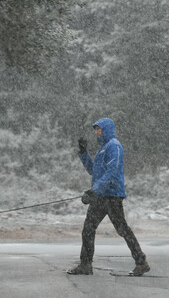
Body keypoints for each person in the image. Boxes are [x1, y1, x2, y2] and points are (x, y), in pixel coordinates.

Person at [67, 118, 150, 276]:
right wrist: (84, 154)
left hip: (112, 197)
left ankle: (141, 262)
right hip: (100, 197)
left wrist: (94, 191)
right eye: (96, 130)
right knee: (88, 229)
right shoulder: (102, 149)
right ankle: (85, 265)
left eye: (99, 129)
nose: (97, 133)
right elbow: (93, 171)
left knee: (122, 230)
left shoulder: (114, 146)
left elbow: (112, 172)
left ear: (107, 130)